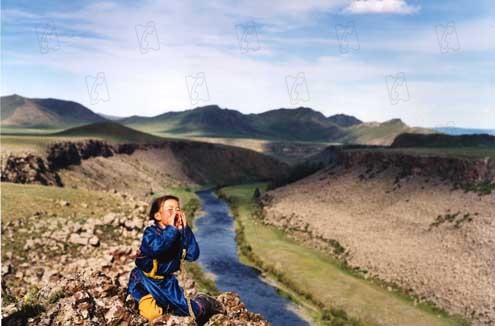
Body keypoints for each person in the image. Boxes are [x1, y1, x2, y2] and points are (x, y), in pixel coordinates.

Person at [127, 194, 225, 324]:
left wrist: (185, 230)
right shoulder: (150, 233)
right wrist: (173, 230)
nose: (176, 213)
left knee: (193, 312)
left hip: (167, 284)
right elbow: (157, 248)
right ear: (157, 216)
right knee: (152, 316)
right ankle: (162, 305)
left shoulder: (177, 235)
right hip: (144, 282)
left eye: (178, 209)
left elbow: (192, 254)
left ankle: (204, 301)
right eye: (170, 210)